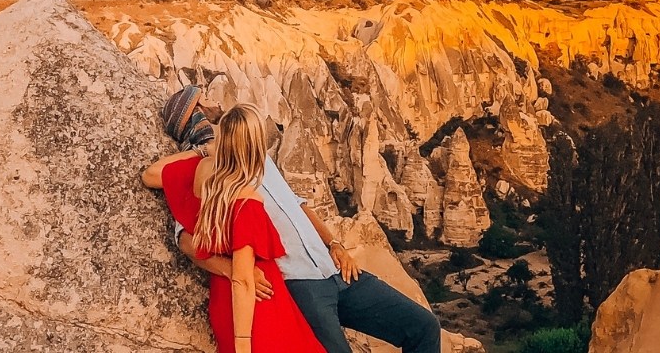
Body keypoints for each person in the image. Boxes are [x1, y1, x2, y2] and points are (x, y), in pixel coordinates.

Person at [152, 85, 442, 353]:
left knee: (424, 327)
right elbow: (187, 241)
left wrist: (335, 243)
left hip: (336, 269)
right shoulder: (204, 170)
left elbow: (299, 206)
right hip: (301, 285)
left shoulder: (259, 156)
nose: (213, 99)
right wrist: (231, 269)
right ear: (196, 115)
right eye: (203, 98)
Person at [143, 104, 325, 353]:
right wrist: (243, 343)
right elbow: (242, 279)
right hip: (257, 309)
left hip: (223, 299)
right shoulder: (245, 199)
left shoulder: (201, 173)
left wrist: (202, 151)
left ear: (222, 139)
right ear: (255, 149)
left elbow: (150, 175)